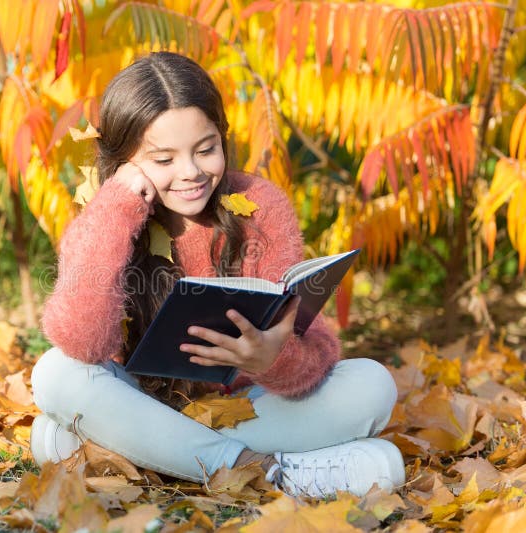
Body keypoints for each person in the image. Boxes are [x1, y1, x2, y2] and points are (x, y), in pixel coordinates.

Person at [30, 51, 405, 498]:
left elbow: (317, 351)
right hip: (140, 401)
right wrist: (117, 208)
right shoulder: (105, 213)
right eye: (163, 159)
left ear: (223, 138)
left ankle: (147, 456)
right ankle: (261, 471)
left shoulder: (259, 206)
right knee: (54, 374)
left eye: (206, 150)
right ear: (123, 161)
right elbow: (81, 342)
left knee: (372, 386)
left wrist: (272, 358)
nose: (190, 173)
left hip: (249, 407)